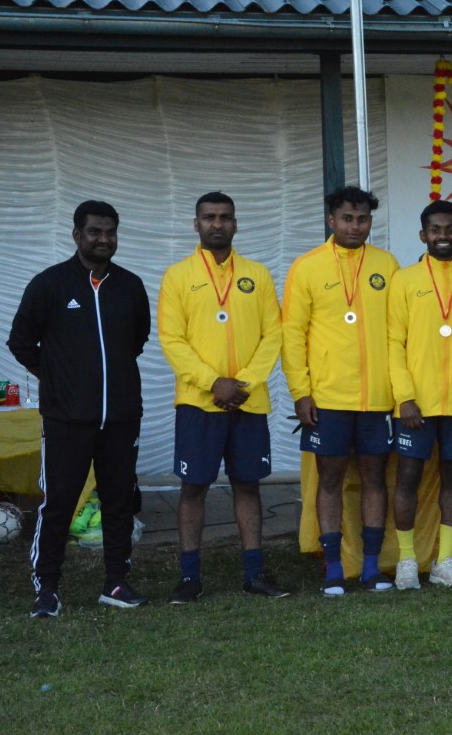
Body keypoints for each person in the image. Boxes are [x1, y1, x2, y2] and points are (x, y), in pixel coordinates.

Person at [8, 200, 150, 617]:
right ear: (77, 235)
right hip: (66, 418)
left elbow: (137, 339)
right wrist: (57, 376)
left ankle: (116, 582)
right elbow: (21, 341)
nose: (103, 239)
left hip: (121, 416)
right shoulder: (49, 284)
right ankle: (47, 588)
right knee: (59, 503)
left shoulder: (130, 286)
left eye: (110, 232)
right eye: (94, 232)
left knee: (119, 501)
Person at [158, 192, 290, 602]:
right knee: (193, 488)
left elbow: (273, 334)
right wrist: (213, 382)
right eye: (209, 217)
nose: (217, 223)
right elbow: (171, 339)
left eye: (225, 217)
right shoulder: (177, 276)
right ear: (196, 224)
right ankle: (190, 578)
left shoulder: (257, 274)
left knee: (247, 485)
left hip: (248, 402)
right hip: (199, 402)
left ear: (236, 223)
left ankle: (254, 574)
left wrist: (242, 383)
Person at [282, 186, 400, 595]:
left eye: (362, 219)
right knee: (329, 480)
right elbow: (292, 336)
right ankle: (333, 567)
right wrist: (301, 392)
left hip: (377, 397)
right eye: (347, 218)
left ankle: (371, 567)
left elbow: (398, 333)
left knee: (374, 480)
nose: (355, 226)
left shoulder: (387, 265)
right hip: (327, 398)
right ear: (331, 220)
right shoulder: (307, 267)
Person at [388, 200, 452, 589]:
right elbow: (393, 343)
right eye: (435, 230)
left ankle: (444, 560)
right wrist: (404, 397)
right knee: (408, 477)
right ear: (423, 235)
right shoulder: (404, 280)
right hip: (417, 402)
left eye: (450, 229)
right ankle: (406, 561)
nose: (443, 236)